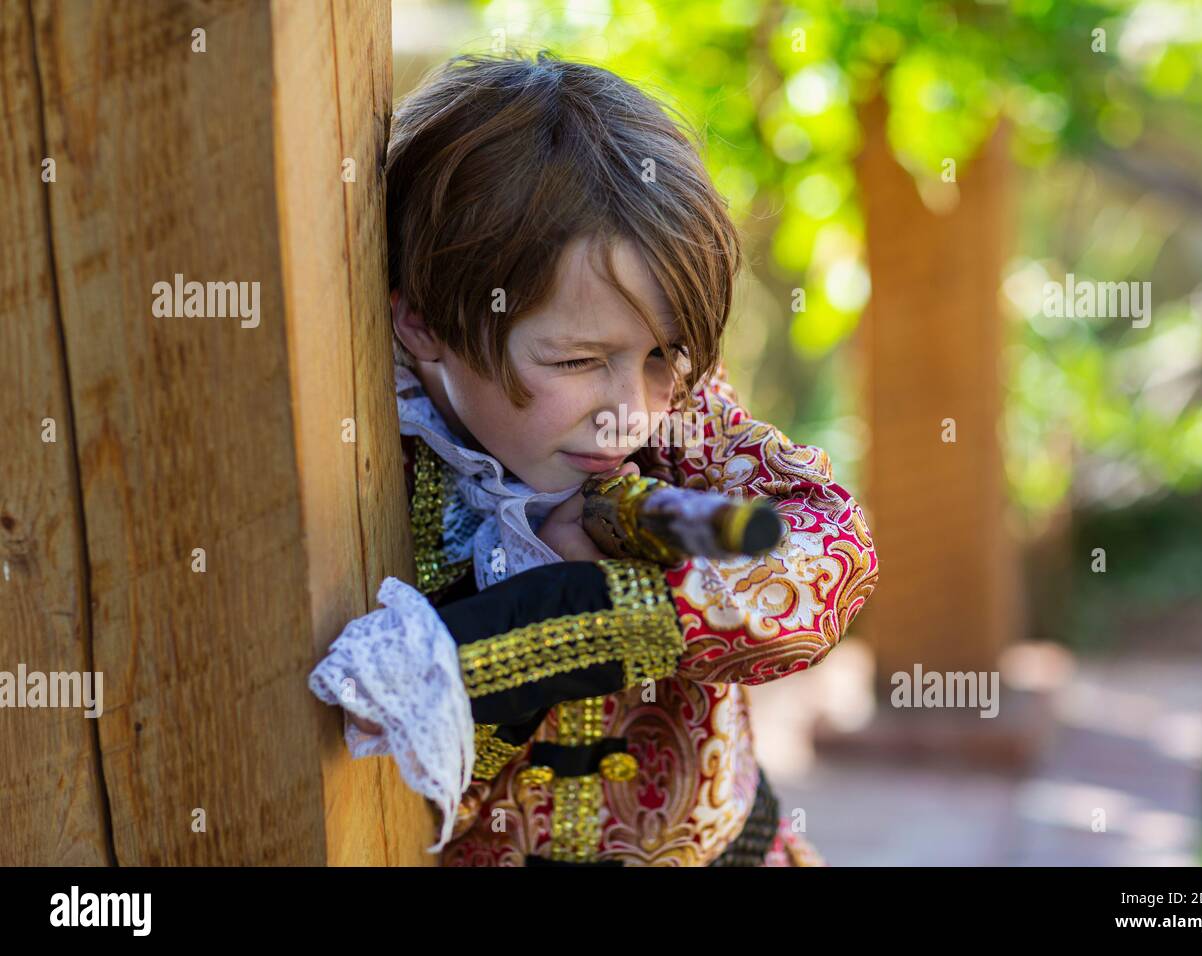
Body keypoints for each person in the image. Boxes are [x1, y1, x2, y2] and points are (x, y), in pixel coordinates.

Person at [308, 50, 879, 866]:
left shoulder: (685, 419)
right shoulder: (376, 469)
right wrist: (501, 665)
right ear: (424, 324)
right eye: (576, 362)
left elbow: (836, 549)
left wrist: (615, 613)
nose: (630, 412)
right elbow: (391, 773)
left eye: (664, 351)